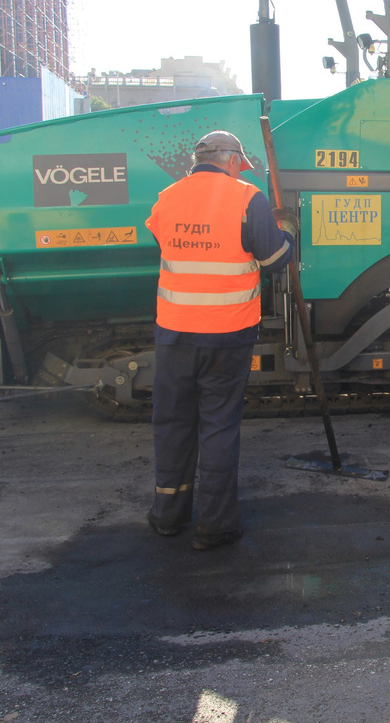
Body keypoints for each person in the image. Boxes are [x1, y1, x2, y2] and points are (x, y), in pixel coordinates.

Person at [144, 130, 297, 551]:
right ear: (231, 161)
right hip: (227, 334)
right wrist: (286, 231)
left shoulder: (167, 197)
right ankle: (214, 525)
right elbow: (273, 259)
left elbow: (163, 243)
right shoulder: (247, 198)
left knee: (173, 423)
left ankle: (168, 516)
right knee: (218, 426)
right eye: (239, 165)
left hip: (174, 333)